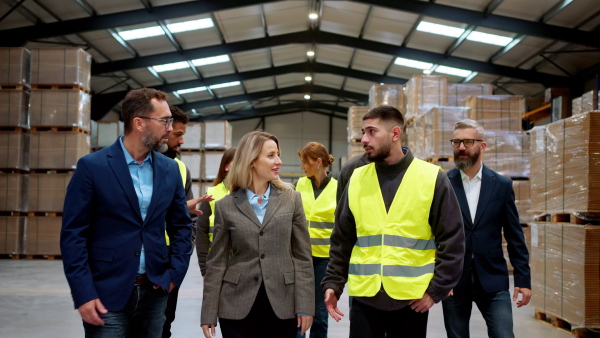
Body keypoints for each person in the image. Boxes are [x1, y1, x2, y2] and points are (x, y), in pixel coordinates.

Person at [321, 105, 465, 338]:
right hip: (365, 299)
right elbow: (342, 238)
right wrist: (333, 283)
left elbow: (453, 239)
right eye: (363, 132)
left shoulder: (431, 177)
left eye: (371, 132)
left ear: (395, 134)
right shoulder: (356, 178)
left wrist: (436, 290)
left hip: (411, 301)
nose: (364, 139)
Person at [60, 88, 193, 338]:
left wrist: (174, 274)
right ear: (139, 123)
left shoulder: (170, 169)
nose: (169, 128)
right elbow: (73, 235)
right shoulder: (93, 167)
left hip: (155, 292)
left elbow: (181, 227)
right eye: (164, 121)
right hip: (105, 293)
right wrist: (83, 293)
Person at [201, 131, 314, 338]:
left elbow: (303, 257)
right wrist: (208, 312)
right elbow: (216, 262)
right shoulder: (226, 206)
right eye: (271, 155)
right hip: (236, 305)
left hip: (283, 304)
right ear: (252, 161)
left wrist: (306, 305)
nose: (279, 161)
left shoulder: (292, 199)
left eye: (278, 154)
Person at [442, 119, 531, 338]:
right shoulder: (442, 184)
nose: (461, 147)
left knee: (503, 334)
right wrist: (440, 276)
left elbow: (514, 234)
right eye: (457, 142)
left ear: (482, 146)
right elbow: (434, 233)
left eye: (468, 142)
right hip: (454, 281)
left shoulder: (501, 185)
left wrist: (523, 279)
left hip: (493, 279)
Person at [161, 105, 214, 338]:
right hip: (136, 258)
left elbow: (189, 219)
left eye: (183, 135)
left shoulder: (180, 168)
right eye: (177, 135)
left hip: (168, 257)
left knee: (164, 322)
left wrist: (180, 262)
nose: (181, 141)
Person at [295, 142, 337, 338]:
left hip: (325, 260)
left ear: (318, 162)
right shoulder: (299, 184)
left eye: (305, 162)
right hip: (299, 257)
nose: (302, 167)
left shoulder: (338, 188)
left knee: (320, 312)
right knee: (298, 310)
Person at [196, 146, 237, 276]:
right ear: (226, 167)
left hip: (242, 267)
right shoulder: (212, 194)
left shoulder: (251, 194)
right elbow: (201, 233)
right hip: (216, 265)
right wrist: (204, 270)